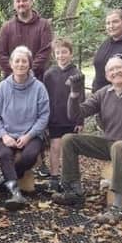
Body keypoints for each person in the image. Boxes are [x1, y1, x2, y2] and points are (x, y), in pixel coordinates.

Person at [52, 57, 122, 224]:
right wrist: (74, 94)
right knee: (69, 139)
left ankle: (117, 207)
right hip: (111, 143)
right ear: (107, 75)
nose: (116, 72)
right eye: (111, 70)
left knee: (120, 146)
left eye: (119, 67)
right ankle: (73, 191)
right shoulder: (104, 93)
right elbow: (75, 115)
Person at [0, 46, 50, 210]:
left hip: (31, 134)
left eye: (24, 61)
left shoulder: (39, 88)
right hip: (5, 133)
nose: (21, 64)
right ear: (11, 64)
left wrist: (29, 136)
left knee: (29, 156)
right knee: (5, 154)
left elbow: (43, 116)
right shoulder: (2, 87)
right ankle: (16, 193)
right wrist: (4, 135)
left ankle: (5, 179)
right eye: (17, 61)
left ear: (29, 64)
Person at [43, 38, 84, 182]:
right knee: (55, 147)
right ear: (54, 55)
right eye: (58, 53)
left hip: (70, 119)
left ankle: (69, 178)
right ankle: (54, 176)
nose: (61, 55)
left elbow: (81, 98)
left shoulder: (77, 73)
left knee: (69, 149)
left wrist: (80, 120)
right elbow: (45, 98)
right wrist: (45, 120)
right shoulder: (49, 74)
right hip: (54, 118)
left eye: (64, 52)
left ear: (70, 54)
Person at [0, 0, 53, 81]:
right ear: (14, 4)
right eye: (18, 1)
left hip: (37, 80)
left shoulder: (44, 25)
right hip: (12, 81)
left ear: (31, 2)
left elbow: (45, 53)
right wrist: (16, 74)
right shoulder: (6, 27)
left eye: (24, 0)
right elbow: (1, 55)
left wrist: (28, 72)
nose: (21, 4)